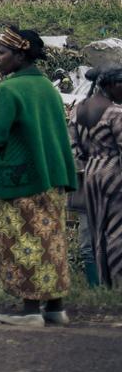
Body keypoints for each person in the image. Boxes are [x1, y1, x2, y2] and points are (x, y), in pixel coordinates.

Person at [0, 28, 78, 326]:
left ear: (20, 55)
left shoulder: (8, 89)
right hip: (53, 177)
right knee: (51, 241)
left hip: (21, 180)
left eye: (2, 53)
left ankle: (30, 311)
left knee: (23, 241)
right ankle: (56, 308)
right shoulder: (48, 88)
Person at [70, 66, 122, 290]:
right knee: (116, 230)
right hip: (113, 172)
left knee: (96, 232)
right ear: (110, 85)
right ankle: (117, 283)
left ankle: (100, 283)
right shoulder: (115, 113)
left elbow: (74, 148)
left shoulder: (78, 111)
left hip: (89, 173)